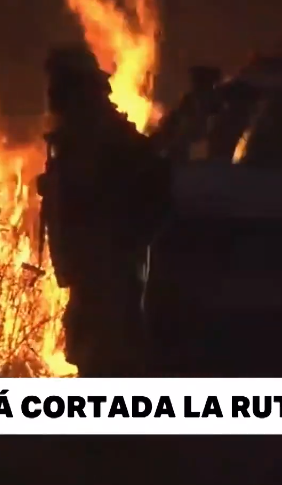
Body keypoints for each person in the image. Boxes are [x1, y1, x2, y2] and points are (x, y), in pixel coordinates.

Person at [37, 44, 170, 377]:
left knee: (109, 360)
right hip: (96, 279)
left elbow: (144, 180)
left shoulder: (98, 138)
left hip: (107, 278)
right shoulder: (80, 138)